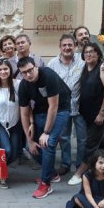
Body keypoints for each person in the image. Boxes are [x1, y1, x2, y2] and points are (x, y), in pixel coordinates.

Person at [17, 56, 71, 199]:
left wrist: (46, 132)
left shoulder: (48, 75)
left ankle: (46, 184)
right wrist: (29, 140)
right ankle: (52, 173)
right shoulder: (23, 85)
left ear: (36, 66)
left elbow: (54, 106)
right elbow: (23, 114)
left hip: (61, 109)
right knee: (31, 147)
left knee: (48, 143)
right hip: (41, 110)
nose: (28, 74)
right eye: (24, 72)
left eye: (30, 70)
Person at [68, 43, 104, 186]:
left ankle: (79, 173)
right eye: (86, 52)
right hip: (88, 114)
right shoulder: (85, 68)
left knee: (90, 145)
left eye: (92, 52)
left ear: (98, 54)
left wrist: (102, 113)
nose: (89, 54)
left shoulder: (103, 67)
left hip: (100, 115)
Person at [47, 34, 86, 176]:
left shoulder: (82, 62)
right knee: (64, 137)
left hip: (80, 105)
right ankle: (65, 163)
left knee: (82, 138)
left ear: (75, 46)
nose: (67, 48)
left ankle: (81, 165)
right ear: (60, 47)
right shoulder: (52, 64)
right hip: (61, 107)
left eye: (70, 45)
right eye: (64, 45)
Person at [0, 59, 23, 189]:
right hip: (0, 124)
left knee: (14, 154)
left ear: (10, 70)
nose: (3, 72)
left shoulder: (18, 84)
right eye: (0, 69)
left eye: (5, 69)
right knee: (6, 150)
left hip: (15, 123)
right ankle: (0, 176)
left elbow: (24, 106)